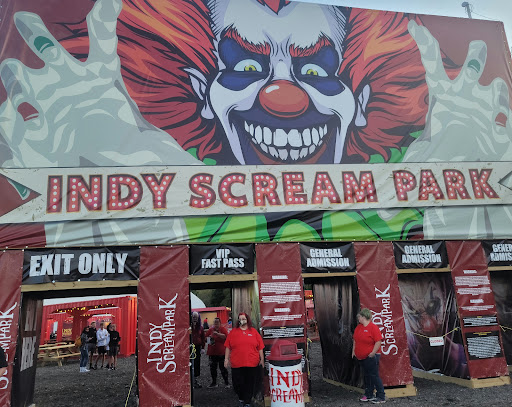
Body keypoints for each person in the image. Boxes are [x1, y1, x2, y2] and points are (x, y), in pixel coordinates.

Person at [224, 312, 264, 407]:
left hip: (252, 363)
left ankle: (247, 402)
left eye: (244, 319)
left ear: (247, 320)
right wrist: (226, 359)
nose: (242, 320)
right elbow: (227, 347)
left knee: (250, 383)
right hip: (237, 364)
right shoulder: (233, 332)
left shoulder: (253, 332)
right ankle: (241, 399)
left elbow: (260, 347)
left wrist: (262, 359)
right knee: (237, 383)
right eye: (240, 319)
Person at [352, 308, 385, 404]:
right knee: (367, 376)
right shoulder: (359, 327)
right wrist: (353, 351)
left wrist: (373, 352)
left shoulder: (373, 327)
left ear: (364, 317)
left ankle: (381, 396)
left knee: (374, 375)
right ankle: (369, 394)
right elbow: (355, 340)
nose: (358, 318)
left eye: (359, 317)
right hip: (361, 356)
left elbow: (378, 341)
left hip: (371, 356)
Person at [205, 317, 230, 388]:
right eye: (215, 323)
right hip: (212, 353)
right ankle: (214, 383)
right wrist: (209, 338)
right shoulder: (210, 330)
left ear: (220, 323)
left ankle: (227, 383)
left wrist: (217, 334)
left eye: (217, 323)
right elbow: (205, 339)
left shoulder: (223, 329)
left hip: (221, 353)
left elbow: (226, 337)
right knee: (213, 369)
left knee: (223, 369)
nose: (216, 324)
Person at [191, 311, 206, 388]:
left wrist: (203, 347)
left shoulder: (200, 328)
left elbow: (203, 338)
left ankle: (196, 380)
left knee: (197, 363)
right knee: (190, 363)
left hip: (197, 347)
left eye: (196, 318)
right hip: (190, 347)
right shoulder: (189, 327)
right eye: (193, 317)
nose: (195, 319)